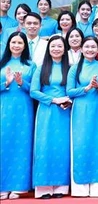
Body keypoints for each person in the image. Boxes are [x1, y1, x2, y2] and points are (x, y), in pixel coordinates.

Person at [30, 35, 72, 199]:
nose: (56, 49)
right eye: (53, 46)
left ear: (64, 49)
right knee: (44, 146)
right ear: (48, 49)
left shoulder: (70, 68)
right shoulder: (41, 68)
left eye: (59, 46)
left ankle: (60, 187)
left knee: (62, 147)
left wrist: (68, 101)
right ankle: (43, 187)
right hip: (46, 111)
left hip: (64, 111)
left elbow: (73, 90)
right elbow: (33, 91)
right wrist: (54, 100)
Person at [66, 36, 98, 197]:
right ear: (81, 49)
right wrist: (87, 87)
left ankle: (97, 186)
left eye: (93, 47)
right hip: (80, 110)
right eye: (87, 46)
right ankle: (80, 187)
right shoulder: (75, 68)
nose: (90, 49)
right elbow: (69, 91)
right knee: (80, 143)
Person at [0, 32, 36, 200]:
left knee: (21, 144)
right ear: (8, 44)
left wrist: (22, 83)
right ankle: (2, 185)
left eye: (20, 42)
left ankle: (18, 185)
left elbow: (35, 90)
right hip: (4, 108)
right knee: (3, 144)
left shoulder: (31, 65)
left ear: (24, 45)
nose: (16, 45)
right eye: (13, 42)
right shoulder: (2, 63)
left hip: (23, 109)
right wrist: (6, 83)